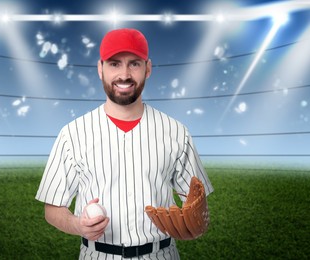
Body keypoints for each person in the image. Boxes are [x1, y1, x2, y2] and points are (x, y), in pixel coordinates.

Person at [35, 28, 214, 259]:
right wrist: (78, 225)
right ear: (100, 69)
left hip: (161, 254)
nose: (124, 74)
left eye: (134, 64)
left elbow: (196, 199)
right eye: (114, 64)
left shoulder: (176, 132)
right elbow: (52, 209)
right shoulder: (72, 134)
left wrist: (195, 221)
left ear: (147, 68)